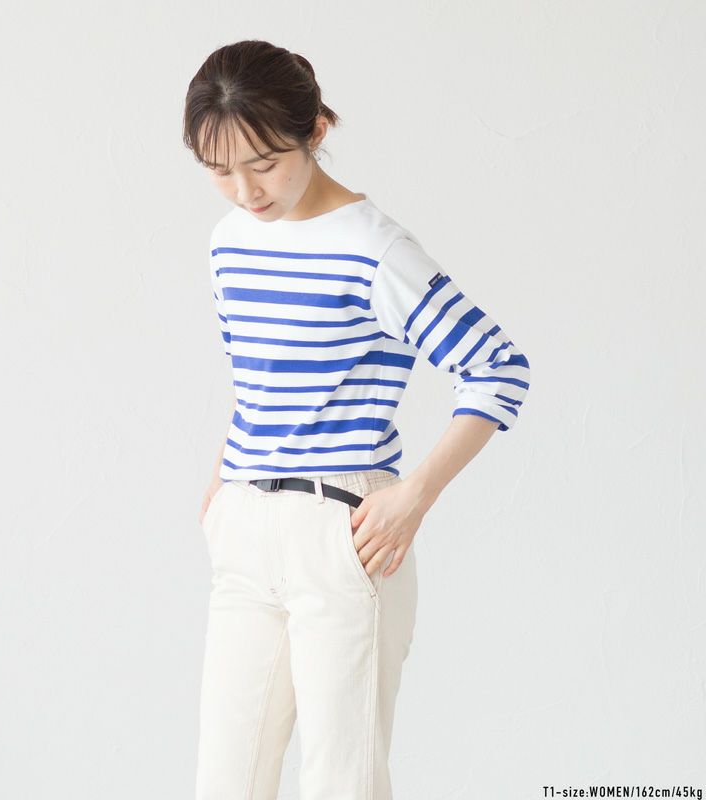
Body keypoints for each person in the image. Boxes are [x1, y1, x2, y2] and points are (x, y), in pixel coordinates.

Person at [183, 39, 531, 800]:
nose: (244, 190)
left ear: (315, 130)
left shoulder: (375, 250)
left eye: (264, 163)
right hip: (244, 531)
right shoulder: (229, 242)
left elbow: (498, 367)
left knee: (344, 783)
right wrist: (222, 488)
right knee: (224, 782)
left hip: (341, 533)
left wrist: (414, 497)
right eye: (219, 170)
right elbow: (257, 379)